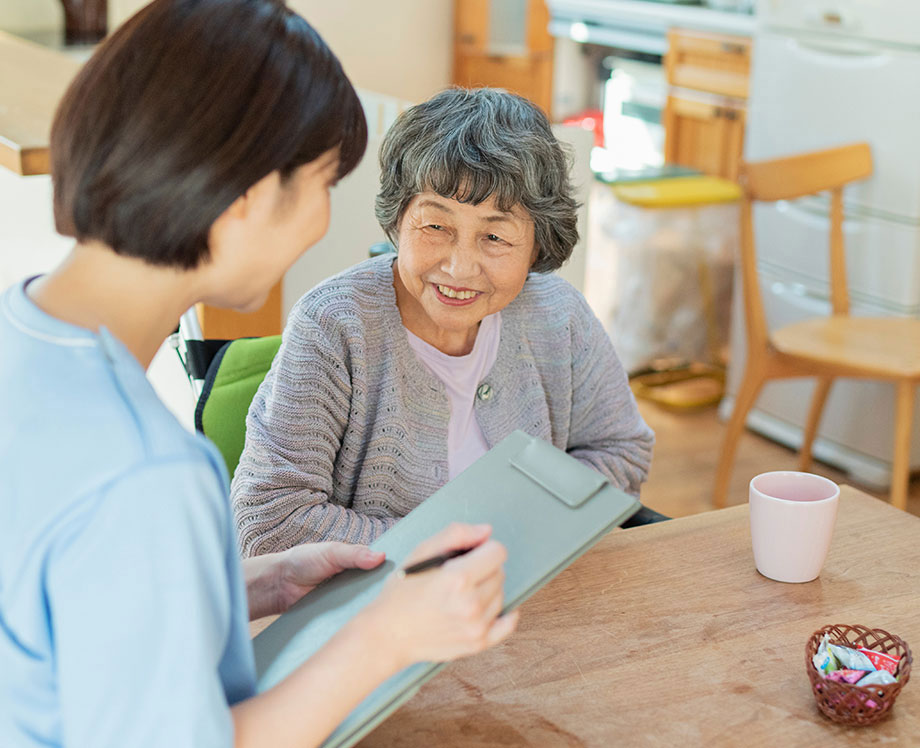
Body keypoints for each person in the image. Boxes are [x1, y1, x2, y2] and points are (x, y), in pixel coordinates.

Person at [0, 2, 517, 747]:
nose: (320, 221)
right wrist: (386, 637)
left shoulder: (26, 337)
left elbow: (61, 617)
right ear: (244, 196)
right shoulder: (144, 474)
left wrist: (255, 583)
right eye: (322, 184)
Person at [231, 87, 660, 555]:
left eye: (495, 236)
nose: (459, 268)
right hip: (379, 613)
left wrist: (527, 532)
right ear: (399, 219)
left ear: (538, 243)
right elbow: (271, 521)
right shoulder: (333, 326)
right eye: (436, 226)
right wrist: (451, 550)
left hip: (533, 596)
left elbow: (621, 450)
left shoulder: (559, 315)